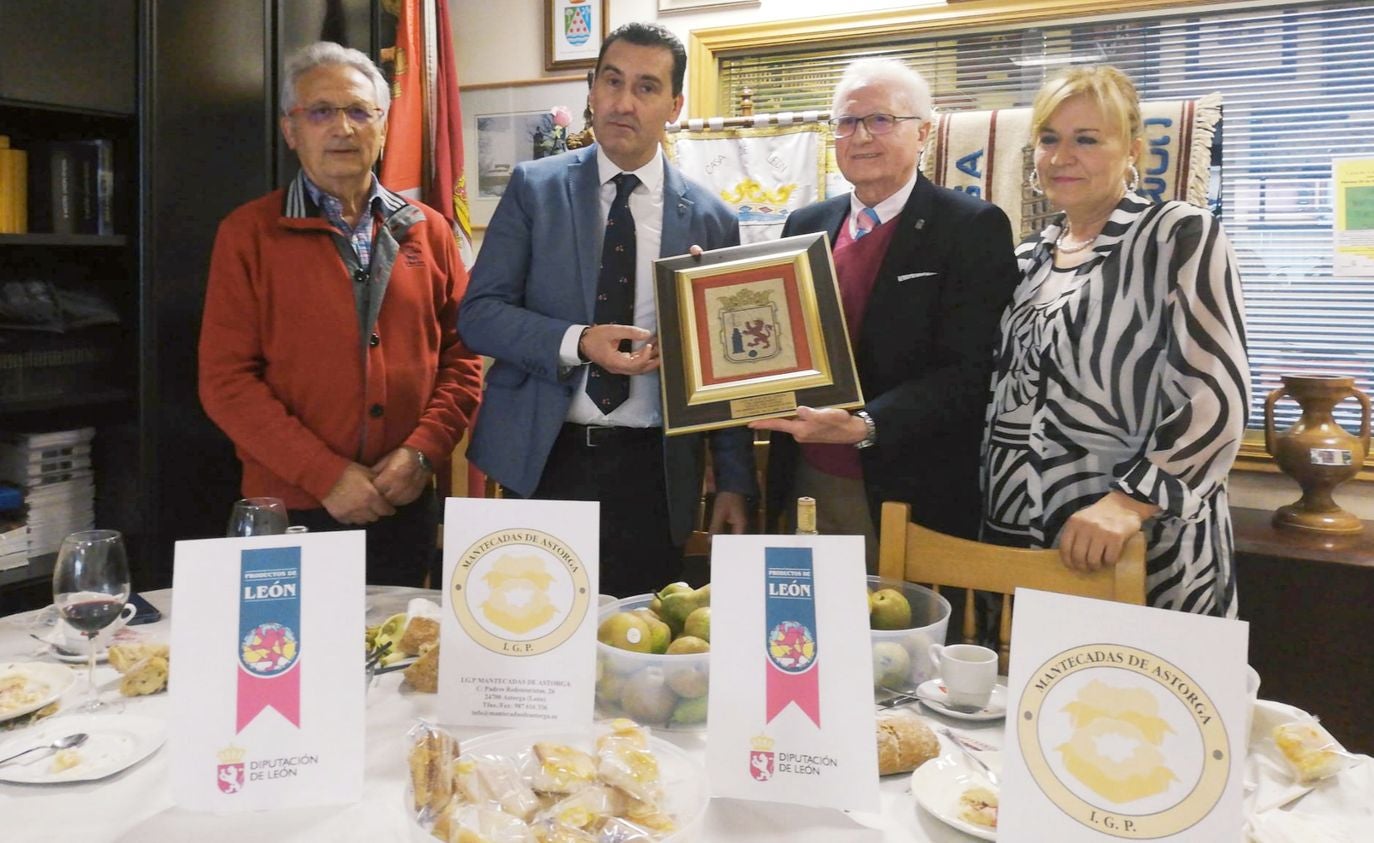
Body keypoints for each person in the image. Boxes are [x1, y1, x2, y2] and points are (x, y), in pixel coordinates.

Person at [458, 23, 754, 598]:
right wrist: (578, 341)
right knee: (534, 644)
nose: (623, 103)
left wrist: (734, 483)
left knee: (639, 650)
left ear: (675, 104)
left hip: (657, 470)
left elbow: (730, 366)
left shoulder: (712, 218)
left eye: (646, 87)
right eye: (611, 82)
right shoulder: (533, 189)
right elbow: (479, 314)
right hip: (546, 460)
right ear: (590, 90)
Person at [199, 41, 482, 586]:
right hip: (290, 508)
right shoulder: (247, 234)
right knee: (292, 662)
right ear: (291, 130)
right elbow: (225, 382)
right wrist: (326, 476)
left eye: (358, 111)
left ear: (382, 124)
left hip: (403, 501)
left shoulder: (430, 229)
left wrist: (422, 454)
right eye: (321, 112)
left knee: (396, 657)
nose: (343, 128)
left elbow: (464, 359)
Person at [982, 65, 1249, 617]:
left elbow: (1217, 395)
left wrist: (1130, 503)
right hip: (1022, 536)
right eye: (1048, 139)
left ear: (1131, 149)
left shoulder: (1179, 234)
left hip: (1139, 540)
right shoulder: (1028, 257)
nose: (1061, 156)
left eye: (1087, 139)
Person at [751, 58, 1019, 570]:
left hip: (905, 486)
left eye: (880, 120)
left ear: (923, 132)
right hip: (804, 475)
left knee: (897, 639)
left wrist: (866, 424)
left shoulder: (969, 227)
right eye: (848, 122)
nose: (861, 137)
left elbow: (971, 371)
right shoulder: (806, 224)